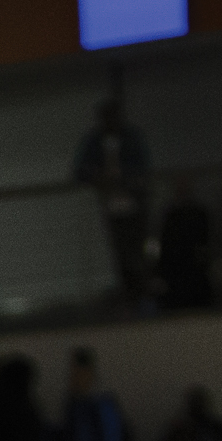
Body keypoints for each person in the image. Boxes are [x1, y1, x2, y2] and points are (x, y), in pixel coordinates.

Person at [71, 93, 153, 302]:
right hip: (111, 203)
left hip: (134, 202)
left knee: (137, 249)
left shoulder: (131, 137)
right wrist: (98, 178)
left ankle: (143, 291)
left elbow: (143, 166)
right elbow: (79, 171)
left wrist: (124, 179)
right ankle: (129, 292)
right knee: (120, 251)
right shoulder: (94, 140)